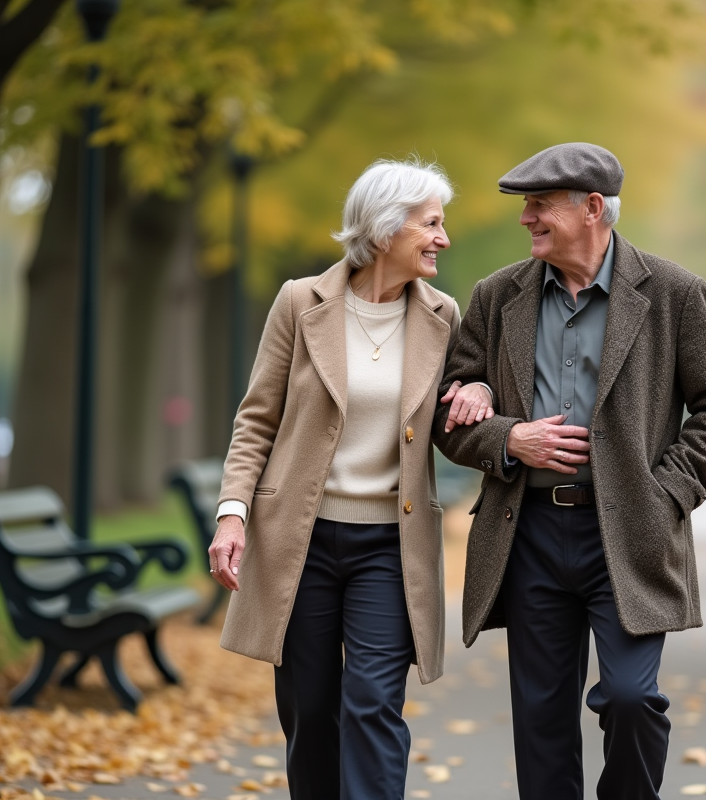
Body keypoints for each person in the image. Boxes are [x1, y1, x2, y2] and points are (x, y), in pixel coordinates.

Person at [434, 143, 706, 800]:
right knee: (542, 720)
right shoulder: (496, 295)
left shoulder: (675, 293)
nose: (527, 219)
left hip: (631, 533)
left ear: (593, 208)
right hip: (529, 533)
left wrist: (668, 493)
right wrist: (508, 438)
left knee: (632, 698)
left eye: (540, 205)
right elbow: (449, 415)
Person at [206, 157, 489, 800]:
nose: (443, 238)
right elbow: (257, 420)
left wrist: (481, 389)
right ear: (387, 228)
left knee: (373, 703)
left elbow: (465, 392)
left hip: (390, 544)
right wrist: (232, 513)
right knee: (310, 711)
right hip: (299, 540)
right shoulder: (299, 302)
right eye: (431, 224)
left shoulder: (444, 315)